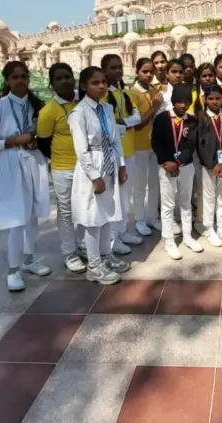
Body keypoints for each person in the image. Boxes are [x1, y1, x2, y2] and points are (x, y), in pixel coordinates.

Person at [0, 60, 51, 292]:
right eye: (15, 77)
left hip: (33, 162)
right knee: (16, 218)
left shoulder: (36, 105)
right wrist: (13, 141)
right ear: (7, 81)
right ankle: (13, 269)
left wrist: (36, 142)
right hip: (11, 164)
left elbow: (44, 133)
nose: (20, 80)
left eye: (24, 76)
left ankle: (29, 259)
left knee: (32, 214)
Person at [69, 66, 130, 284]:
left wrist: (121, 165)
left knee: (107, 214)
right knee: (93, 217)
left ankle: (105, 255)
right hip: (93, 164)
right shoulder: (79, 113)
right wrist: (95, 177)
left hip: (110, 161)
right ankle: (94, 266)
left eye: (104, 81)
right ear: (84, 86)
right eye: (95, 83)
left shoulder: (106, 108)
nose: (102, 86)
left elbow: (115, 140)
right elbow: (81, 149)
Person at [36, 63, 85, 273]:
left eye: (68, 76)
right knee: (66, 212)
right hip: (63, 169)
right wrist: (60, 157)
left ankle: (84, 246)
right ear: (52, 84)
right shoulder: (48, 111)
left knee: (85, 208)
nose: (65, 81)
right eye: (59, 78)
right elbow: (43, 143)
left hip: (85, 167)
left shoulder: (83, 103)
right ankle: (69, 253)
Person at [151, 83, 202, 260]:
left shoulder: (191, 121)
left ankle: (187, 236)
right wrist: (167, 162)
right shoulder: (162, 119)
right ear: (173, 101)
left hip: (185, 166)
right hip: (166, 166)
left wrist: (178, 162)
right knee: (168, 205)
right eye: (179, 101)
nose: (183, 105)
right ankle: (169, 241)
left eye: (186, 102)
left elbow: (190, 145)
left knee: (185, 202)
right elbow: (156, 143)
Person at [101, 54, 143, 252]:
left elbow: (138, 117)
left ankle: (122, 230)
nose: (118, 71)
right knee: (113, 196)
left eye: (120, 67)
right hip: (111, 153)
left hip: (129, 150)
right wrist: (124, 123)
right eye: (113, 68)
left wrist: (121, 122)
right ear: (105, 71)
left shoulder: (125, 94)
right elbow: (106, 122)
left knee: (126, 195)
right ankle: (112, 238)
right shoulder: (102, 95)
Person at [196, 83, 222, 247]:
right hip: (209, 165)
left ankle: (221, 227)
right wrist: (212, 164)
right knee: (209, 196)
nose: (214, 102)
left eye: (218, 98)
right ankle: (209, 228)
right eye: (211, 99)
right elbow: (200, 144)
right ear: (205, 100)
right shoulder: (201, 117)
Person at [132, 57, 163, 235]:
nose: (149, 75)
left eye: (151, 71)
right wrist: (155, 106)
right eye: (145, 71)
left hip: (155, 144)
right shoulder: (133, 93)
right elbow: (138, 123)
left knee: (154, 183)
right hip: (139, 144)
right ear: (137, 72)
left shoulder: (154, 90)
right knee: (139, 185)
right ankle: (140, 219)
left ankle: (152, 216)